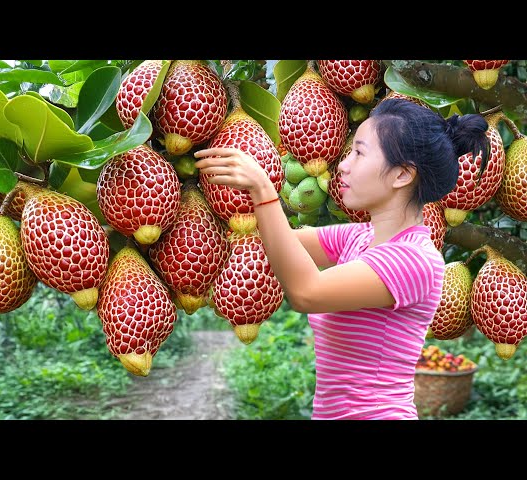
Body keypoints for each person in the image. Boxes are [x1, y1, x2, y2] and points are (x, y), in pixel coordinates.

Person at [193, 97, 490, 420]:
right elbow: (276, 242)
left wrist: (264, 191)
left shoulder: (414, 260)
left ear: (402, 175)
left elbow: (307, 291)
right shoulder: (360, 238)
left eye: (360, 153)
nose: (344, 165)